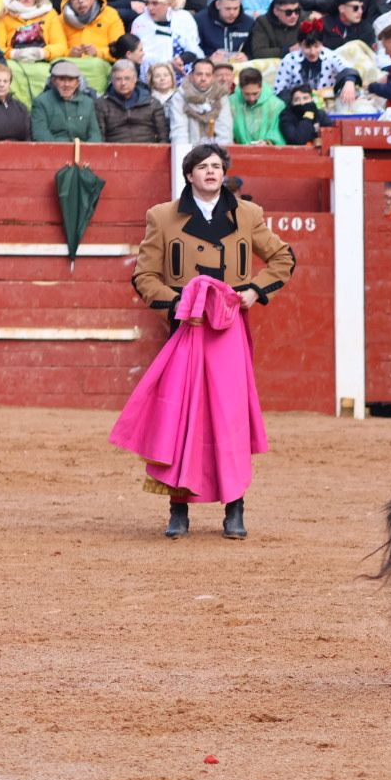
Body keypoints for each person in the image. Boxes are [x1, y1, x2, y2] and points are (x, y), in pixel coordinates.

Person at [122, 143, 294, 540]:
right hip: (188, 327)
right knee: (184, 419)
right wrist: (180, 302)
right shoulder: (162, 217)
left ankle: (235, 509)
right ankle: (178, 509)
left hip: (229, 327)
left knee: (229, 419)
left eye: (217, 166)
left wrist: (254, 290)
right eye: (203, 167)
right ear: (189, 175)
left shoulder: (247, 214)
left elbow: (283, 258)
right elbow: (144, 276)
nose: (211, 172)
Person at [95, 56, 169, 140]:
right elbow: (99, 138)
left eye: (127, 78)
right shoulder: (102, 104)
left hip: (147, 150)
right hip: (114, 151)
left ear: (135, 79)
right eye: (118, 79)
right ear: (112, 81)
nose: (123, 83)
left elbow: (163, 137)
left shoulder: (152, 103)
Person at [30, 58, 102, 140]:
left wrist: (84, 151)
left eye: (71, 80)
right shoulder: (41, 102)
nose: (66, 84)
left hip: (82, 151)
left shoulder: (88, 103)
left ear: (77, 83)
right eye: (62, 79)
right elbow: (41, 134)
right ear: (53, 81)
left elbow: (95, 135)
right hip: (52, 151)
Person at [169, 55, 232, 144]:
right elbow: (179, 132)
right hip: (189, 151)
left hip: (215, 152)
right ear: (191, 76)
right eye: (199, 74)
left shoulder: (221, 96)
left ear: (213, 77)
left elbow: (225, 132)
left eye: (208, 75)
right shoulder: (180, 96)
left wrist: (218, 156)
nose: (203, 78)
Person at [60, 0, 126, 59]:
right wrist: (69, 54)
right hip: (71, 64)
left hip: (102, 63)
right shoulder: (61, 20)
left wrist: (97, 52)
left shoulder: (110, 14)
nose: (80, 1)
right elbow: (57, 49)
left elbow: (119, 49)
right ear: (70, 1)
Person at [230, 64, 285, 143]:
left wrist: (268, 142)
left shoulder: (276, 105)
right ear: (240, 88)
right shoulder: (230, 103)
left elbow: (277, 131)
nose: (251, 98)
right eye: (247, 94)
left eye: (255, 93)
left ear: (261, 87)